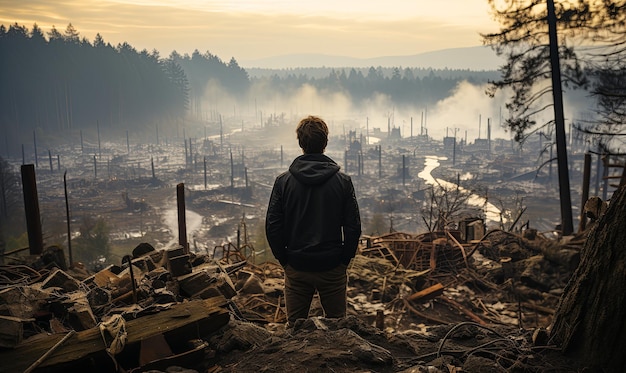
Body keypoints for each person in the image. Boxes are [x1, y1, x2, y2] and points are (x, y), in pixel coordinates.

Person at [265, 115, 362, 327]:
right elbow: (353, 227)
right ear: (325, 143)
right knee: (338, 329)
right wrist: (343, 261)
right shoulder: (343, 182)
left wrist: (286, 261)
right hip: (332, 266)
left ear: (300, 143)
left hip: (297, 266)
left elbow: (273, 227)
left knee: (295, 329)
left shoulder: (283, 182)